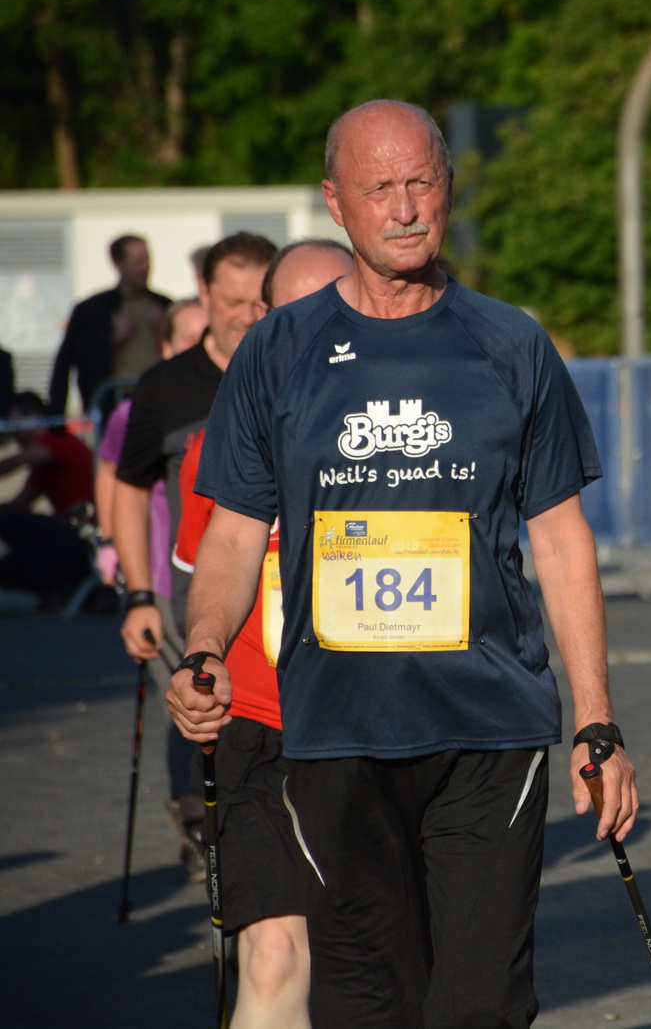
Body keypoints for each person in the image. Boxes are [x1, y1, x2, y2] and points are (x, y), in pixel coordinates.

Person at [165, 99, 635, 1027]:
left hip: (489, 727)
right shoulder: (280, 350)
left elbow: (560, 540)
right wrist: (205, 645)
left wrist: (597, 722)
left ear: (448, 188)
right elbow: (228, 531)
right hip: (335, 730)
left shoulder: (511, 342)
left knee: (478, 1003)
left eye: (423, 181)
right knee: (364, 1002)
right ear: (338, 205)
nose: (407, 206)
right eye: (381, 188)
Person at [167, 239, 353, 1029]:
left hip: (375, 726)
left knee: (366, 961)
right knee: (273, 951)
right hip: (261, 724)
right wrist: (197, 660)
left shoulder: (412, 436)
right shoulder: (222, 441)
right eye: (298, 314)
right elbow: (201, 582)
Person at [114, 232, 271, 878]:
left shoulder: (298, 369)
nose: (248, 315)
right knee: (208, 720)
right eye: (233, 300)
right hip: (194, 590)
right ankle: (208, 827)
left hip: (291, 596)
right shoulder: (166, 387)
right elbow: (127, 486)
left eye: (261, 300)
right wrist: (139, 593)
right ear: (205, 295)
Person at [94, 298, 207, 591]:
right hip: (166, 575)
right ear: (166, 347)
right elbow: (110, 472)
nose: (199, 347)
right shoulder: (132, 412)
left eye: (206, 336)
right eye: (188, 338)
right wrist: (109, 541)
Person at [48, 234, 172, 419]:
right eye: (137, 262)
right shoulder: (92, 310)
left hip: (159, 402)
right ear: (118, 263)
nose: (144, 268)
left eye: (147, 261)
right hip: (113, 407)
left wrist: (161, 332)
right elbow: (69, 360)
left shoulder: (164, 306)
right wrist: (112, 341)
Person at [0, 391, 94, 516]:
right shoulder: (45, 464)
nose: (12, 431)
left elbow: (17, 461)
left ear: (34, 416)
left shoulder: (55, 440)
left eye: (13, 422)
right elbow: (21, 502)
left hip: (81, 524)